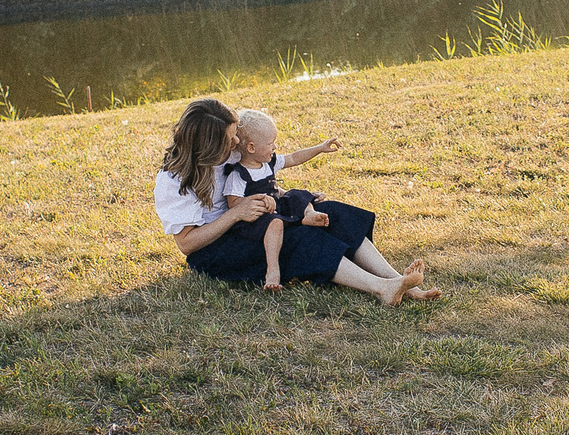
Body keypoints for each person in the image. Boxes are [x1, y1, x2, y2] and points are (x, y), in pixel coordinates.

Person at [152, 96, 438, 306]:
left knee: (329, 213)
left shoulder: (232, 152)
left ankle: (398, 281)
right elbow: (187, 244)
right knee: (299, 238)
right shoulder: (174, 180)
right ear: (208, 146)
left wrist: (290, 199)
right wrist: (236, 214)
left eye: (235, 135)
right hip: (218, 250)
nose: (236, 143)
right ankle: (381, 288)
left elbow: (258, 179)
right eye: (229, 139)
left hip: (250, 222)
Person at [222, 107, 346, 291]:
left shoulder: (268, 162)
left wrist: (320, 148)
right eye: (270, 143)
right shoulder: (238, 175)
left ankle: (309, 214)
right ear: (251, 148)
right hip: (257, 220)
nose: (275, 147)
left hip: (276, 208)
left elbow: (294, 158)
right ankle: (273, 270)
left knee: (296, 194)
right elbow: (233, 203)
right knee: (276, 223)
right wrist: (260, 200)